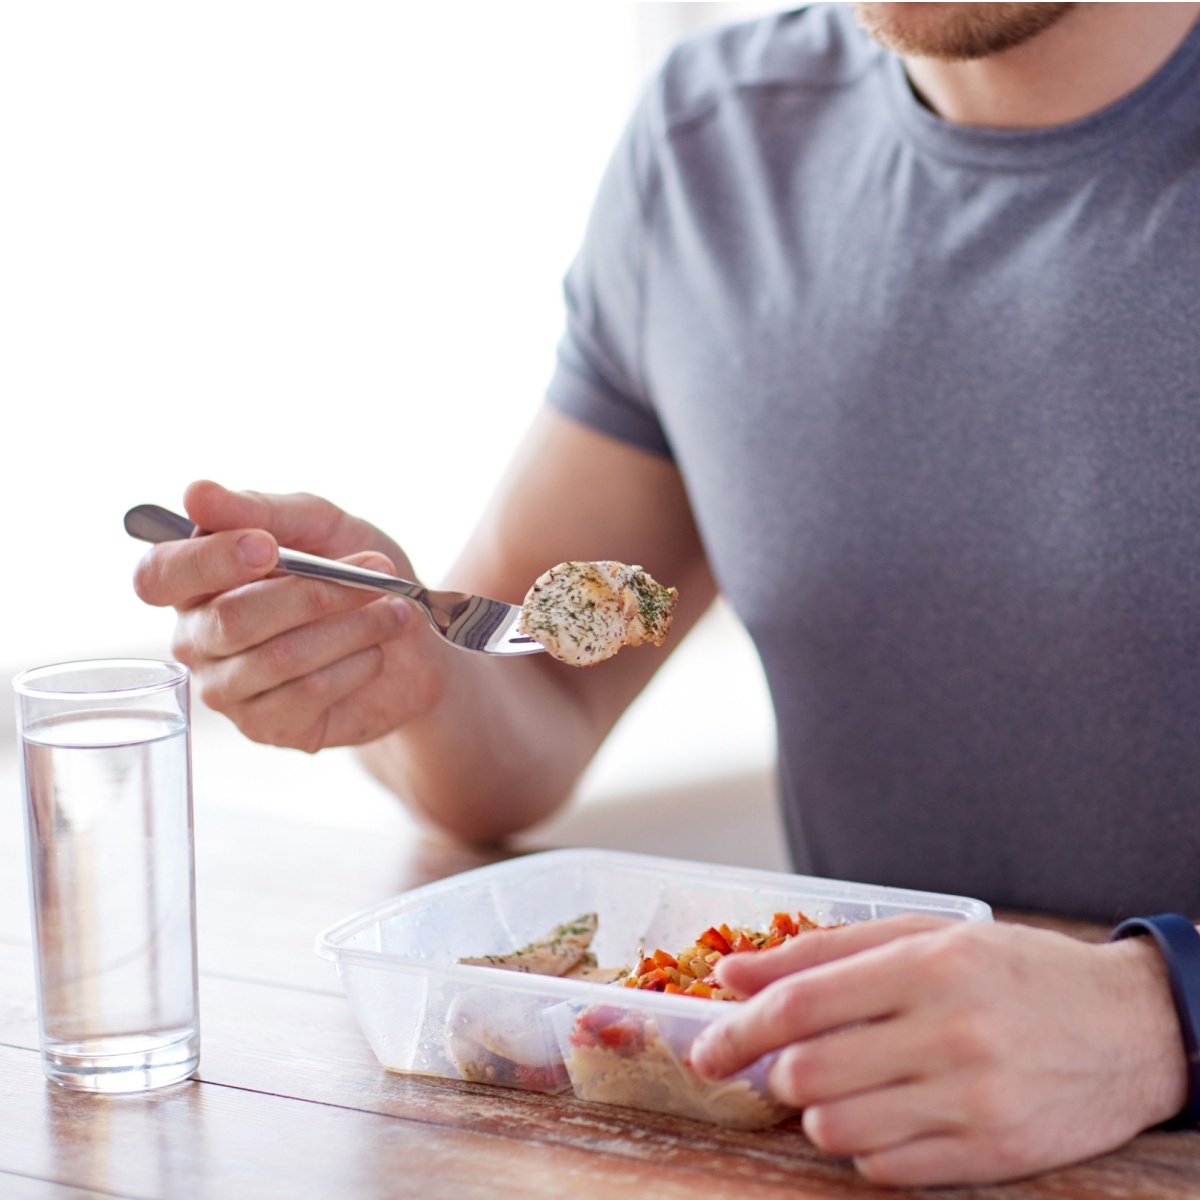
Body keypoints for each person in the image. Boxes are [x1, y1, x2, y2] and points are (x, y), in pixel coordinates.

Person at [133, 2, 1200, 1185]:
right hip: (855, 1151)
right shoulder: (715, 152)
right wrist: (397, 657)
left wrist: (1163, 1019)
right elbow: (524, 722)